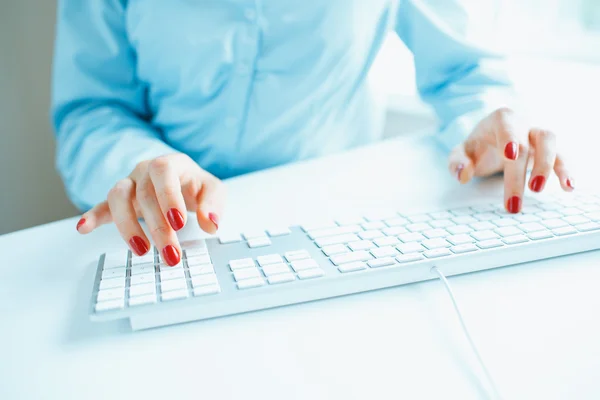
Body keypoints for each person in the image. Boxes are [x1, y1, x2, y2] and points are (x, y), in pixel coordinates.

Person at [51, 0, 573, 266]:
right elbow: (92, 108)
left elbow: (466, 74)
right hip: (170, 234)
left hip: (341, 232)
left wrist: (486, 128)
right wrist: (148, 167)